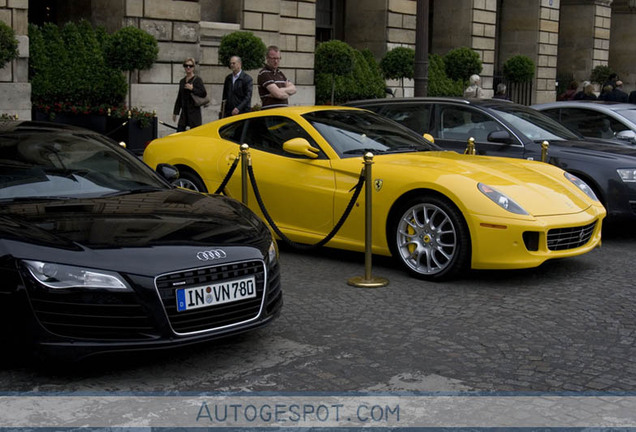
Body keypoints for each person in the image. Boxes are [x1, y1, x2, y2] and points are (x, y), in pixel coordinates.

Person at [173, 58, 207, 131]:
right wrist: (175, 112)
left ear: (193, 67)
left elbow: (203, 93)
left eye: (190, 66)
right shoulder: (182, 81)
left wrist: (192, 89)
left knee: (195, 135)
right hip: (184, 112)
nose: (188, 67)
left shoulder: (197, 80)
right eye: (186, 65)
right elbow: (179, 97)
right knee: (179, 132)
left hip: (194, 112)